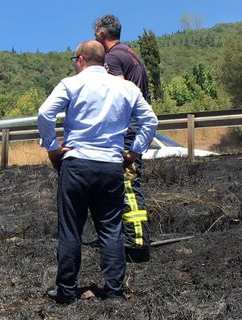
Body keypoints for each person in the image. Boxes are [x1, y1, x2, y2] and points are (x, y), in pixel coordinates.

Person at [37, 40, 157, 304]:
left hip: (77, 164)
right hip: (110, 166)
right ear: (103, 61)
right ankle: (114, 291)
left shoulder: (71, 83)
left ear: (80, 59)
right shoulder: (126, 88)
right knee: (111, 229)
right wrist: (135, 152)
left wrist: (52, 149)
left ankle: (66, 291)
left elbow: (45, 113)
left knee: (70, 230)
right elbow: (150, 120)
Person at [94, 14, 153, 263]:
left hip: (126, 130)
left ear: (101, 33)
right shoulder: (131, 54)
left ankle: (137, 245)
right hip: (136, 126)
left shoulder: (112, 57)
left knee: (128, 185)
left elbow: (117, 92)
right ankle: (128, 238)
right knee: (127, 184)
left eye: (95, 31)